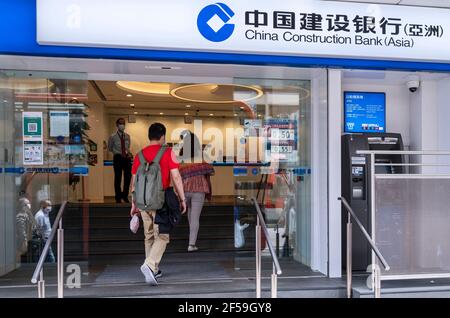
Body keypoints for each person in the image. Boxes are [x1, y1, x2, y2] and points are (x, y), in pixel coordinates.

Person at [130, 123, 187, 286]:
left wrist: (133, 203)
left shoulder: (139, 155)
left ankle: (153, 270)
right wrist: (182, 199)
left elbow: (134, 181)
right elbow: (176, 177)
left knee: (148, 235)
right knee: (162, 235)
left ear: (149, 136)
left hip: (142, 201)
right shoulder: (168, 152)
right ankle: (150, 265)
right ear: (162, 136)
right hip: (160, 200)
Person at [179, 132, 214, 252]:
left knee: (190, 213)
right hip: (199, 189)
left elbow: (177, 174)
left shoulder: (182, 156)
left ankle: (191, 238)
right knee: (195, 217)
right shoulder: (202, 156)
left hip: (185, 189)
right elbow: (210, 171)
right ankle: (191, 244)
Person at [108, 118, 132, 203]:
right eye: (121, 123)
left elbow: (128, 147)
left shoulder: (127, 136)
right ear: (117, 125)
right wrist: (117, 152)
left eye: (123, 123)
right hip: (118, 158)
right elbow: (110, 148)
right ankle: (118, 197)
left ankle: (125, 196)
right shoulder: (112, 136)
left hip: (127, 158)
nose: (122, 125)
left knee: (128, 178)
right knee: (118, 178)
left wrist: (128, 154)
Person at [16, 197, 36, 262]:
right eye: (27, 203)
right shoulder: (20, 215)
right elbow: (21, 230)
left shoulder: (26, 214)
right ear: (23, 205)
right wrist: (24, 241)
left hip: (28, 240)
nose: (29, 205)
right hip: (22, 242)